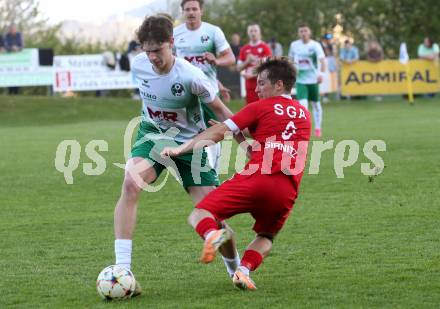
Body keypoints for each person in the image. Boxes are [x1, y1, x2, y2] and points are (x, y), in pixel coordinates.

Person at [113, 14, 246, 295]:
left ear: (171, 43)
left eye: (157, 50)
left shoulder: (191, 76)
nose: (152, 57)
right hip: (153, 136)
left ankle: (236, 269)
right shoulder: (139, 65)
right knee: (130, 184)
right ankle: (122, 269)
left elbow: (222, 112)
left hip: (190, 144)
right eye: (146, 50)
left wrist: (246, 143)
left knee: (214, 214)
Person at [161, 57, 311, 290]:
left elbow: (219, 131)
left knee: (200, 215)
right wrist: (240, 136)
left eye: (261, 83)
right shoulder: (304, 115)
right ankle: (243, 271)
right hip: (287, 189)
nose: (257, 89)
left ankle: (212, 235)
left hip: (257, 178)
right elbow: (259, 148)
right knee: (266, 237)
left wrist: (180, 149)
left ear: (279, 85)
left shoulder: (260, 107)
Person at [174, 0, 236, 173]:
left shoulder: (212, 31)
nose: (191, 12)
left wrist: (216, 60)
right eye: (187, 9)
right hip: (185, 95)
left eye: (194, 9)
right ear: (183, 12)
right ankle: (202, 173)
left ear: (201, 11)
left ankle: (212, 172)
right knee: (193, 134)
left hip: (208, 93)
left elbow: (231, 58)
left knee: (212, 132)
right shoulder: (175, 34)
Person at [288, 24, 326, 137]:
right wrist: (291, 73)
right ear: (298, 33)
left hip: (313, 80)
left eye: (305, 31)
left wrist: (322, 74)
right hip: (300, 80)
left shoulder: (315, 45)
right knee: (303, 105)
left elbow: (322, 61)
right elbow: (290, 60)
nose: (303, 33)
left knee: (316, 104)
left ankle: (318, 128)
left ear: (309, 32)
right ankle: (303, 128)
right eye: (301, 31)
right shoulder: (294, 45)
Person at [236, 24, 272, 104]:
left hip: (263, 84)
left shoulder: (265, 47)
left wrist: (253, 74)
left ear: (259, 33)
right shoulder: (244, 49)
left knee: (264, 107)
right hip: (250, 85)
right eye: (251, 31)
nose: (253, 33)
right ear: (248, 33)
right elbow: (238, 68)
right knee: (251, 108)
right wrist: (247, 61)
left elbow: (270, 66)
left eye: (255, 30)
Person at [5, 24, 24, 95]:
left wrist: (17, 48)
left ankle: (17, 92)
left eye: (13, 29)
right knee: (9, 75)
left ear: (16, 29)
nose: (12, 31)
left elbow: (22, 46)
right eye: (11, 29)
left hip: (18, 60)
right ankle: (10, 91)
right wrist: (11, 48)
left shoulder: (19, 35)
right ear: (9, 30)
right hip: (9, 60)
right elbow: (5, 46)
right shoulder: (6, 36)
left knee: (17, 74)